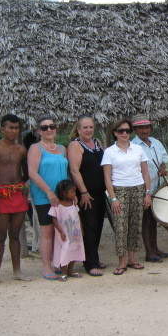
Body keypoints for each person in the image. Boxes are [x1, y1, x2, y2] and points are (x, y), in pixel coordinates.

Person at [0, 113, 31, 287]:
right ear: (2, 129)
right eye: (10, 128)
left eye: (16, 128)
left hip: (18, 193)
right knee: (0, 236)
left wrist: (23, 187)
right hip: (1, 193)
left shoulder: (21, 150)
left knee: (15, 235)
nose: (13, 131)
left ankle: (17, 271)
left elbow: (26, 172)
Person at [102, 119, 153, 275]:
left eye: (127, 131)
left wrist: (147, 193)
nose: (124, 134)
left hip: (138, 189)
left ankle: (133, 258)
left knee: (135, 225)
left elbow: (145, 172)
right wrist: (113, 198)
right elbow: (107, 177)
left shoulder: (138, 149)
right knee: (120, 226)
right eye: (120, 131)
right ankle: (122, 261)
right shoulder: (109, 152)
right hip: (120, 190)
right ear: (115, 133)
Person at [27, 116, 69, 280]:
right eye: (44, 128)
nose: (49, 130)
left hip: (61, 197)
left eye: (52, 126)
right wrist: (49, 192)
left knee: (61, 230)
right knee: (47, 231)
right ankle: (46, 266)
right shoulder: (36, 148)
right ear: (39, 131)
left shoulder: (61, 148)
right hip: (44, 196)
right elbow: (32, 172)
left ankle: (58, 262)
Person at [67, 115, 107, 277]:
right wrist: (83, 191)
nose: (88, 130)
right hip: (86, 194)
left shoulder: (97, 144)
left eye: (91, 127)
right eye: (85, 127)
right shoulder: (75, 145)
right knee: (89, 227)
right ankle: (90, 263)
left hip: (99, 193)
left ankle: (93, 258)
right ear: (78, 129)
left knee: (98, 227)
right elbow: (74, 170)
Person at [131, 115, 168, 262]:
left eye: (146, 127)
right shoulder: (133, 146)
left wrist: (162, 168)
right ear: (135, 130)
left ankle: (155, 249)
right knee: (146, 220)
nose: (144, 130)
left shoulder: (156, 142)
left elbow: (164, 158)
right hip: (143, 188)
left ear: (151, 128)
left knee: (153, 219)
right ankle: (149, 252)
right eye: (140, 128)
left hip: (157, 187)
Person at [49, 179, 85, 280]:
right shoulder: (57, 205)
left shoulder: (74, 203)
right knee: (64, 251)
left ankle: (70, 271)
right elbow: (54, 219)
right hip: (64, 234)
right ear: (64, 193)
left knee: (74, 250)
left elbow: (77, 216)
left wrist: (81, 228)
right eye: (72, 191)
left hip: (75, 233)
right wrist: (60, 231)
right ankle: (63, 272)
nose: (74, 193)